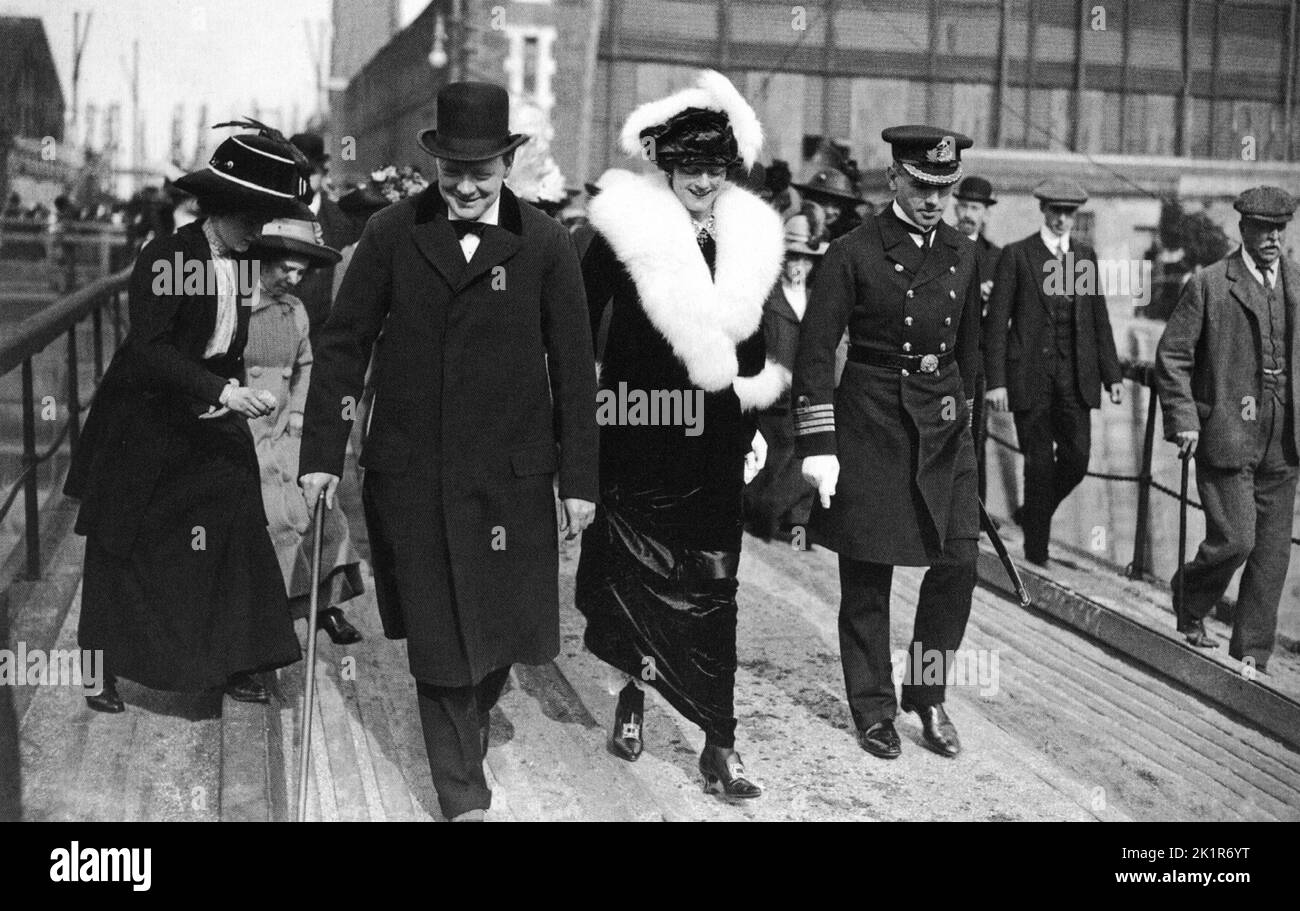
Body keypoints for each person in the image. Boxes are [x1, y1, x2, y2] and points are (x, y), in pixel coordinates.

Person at [297, 81, 598, 822]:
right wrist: (321, 455)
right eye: (452, 171)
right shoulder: (393, 233)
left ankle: (470, 716)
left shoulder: (547, 243)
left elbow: (576, 366)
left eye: (481, 171)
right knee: (439, 639)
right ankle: (461, 794)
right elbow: (343, 346)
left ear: (507, 164)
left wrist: (579, 481)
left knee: (495, 638)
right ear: (433, 163)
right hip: (413, 473)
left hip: (511, 477)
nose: (465, 187)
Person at [577, 71, 785, 798]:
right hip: (637, 431)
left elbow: (762, 344)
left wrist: (758, 422)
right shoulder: (619, 231)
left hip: (716, 439)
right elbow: (574, 327)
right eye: (691, 166)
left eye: (716, 168)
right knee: (636, 575)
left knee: (714, 587)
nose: (703, 180)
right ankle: (633, 694)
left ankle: (718, 742)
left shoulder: (753, 235)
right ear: (666, 166)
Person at [64, 123, 309, 713]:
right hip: (143, 418)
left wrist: (252, 393)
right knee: (120, 545)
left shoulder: (243, 262)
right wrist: (224, 392)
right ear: (223, 207)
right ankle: (100, 668)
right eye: (254, 216)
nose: (261, 229)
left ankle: (235, 659)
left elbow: (222, 344)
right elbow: (150, 352)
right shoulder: (168, 255)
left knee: (235, 525)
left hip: (205, 411)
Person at [794, 126, 983, 760]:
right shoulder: (853, 251)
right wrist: (819, 444)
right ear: (896, 178)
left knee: (958, 564)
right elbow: (816, 352)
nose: (934, 200)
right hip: (872, 421)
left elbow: (972, 353)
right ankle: (872, 707)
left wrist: (969, 433)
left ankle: (926, 696)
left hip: (945, 426)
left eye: (944, 189)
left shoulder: (962, 250)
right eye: (923, 186)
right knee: (869, 574)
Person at [1155, 186, 1299, 672]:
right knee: (1237, 539)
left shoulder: (1298, 283)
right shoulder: (1210, 284)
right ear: (1244, 230)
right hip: (1227, 434)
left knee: (1273, 554)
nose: (1273, 238)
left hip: (1284, 440)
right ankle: (1190, 598)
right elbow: (1172, 359)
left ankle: (1252, 659)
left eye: (1280, 229)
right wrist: (1185, 420)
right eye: (1263, 228)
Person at [983, 178, 1123, 565]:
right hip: (1030, 378)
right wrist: (996, 382)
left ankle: (1033, 513)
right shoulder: (1017, 255)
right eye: (1055, 212)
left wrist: (1112, 376)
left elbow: (1098, 319)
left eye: (1069, 213)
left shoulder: (1083, 257)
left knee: (1077, 460)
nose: (1062, 220)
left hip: (1075, 379)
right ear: (1043, 210)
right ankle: (1036, 553)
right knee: (1039, 463)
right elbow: (997, 325)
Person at [246, 218, 365, 644]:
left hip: (285, 426)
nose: (294, 280)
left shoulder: (295, 310)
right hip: (244, 428)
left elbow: (306, 366)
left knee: (323, 508)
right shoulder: (234, 305)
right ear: (263, 261)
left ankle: (325, 604)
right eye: (286, 270)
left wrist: (298, 409)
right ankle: (270, 618)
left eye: (300, 273)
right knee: (275, 515)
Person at [744, 209, 827, 540]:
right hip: (773, 401)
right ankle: (759, 512)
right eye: (793, 257)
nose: (798, 266)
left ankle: (797, 528)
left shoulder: (816, 301)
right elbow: (753, 348)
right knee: (775, 465)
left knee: (804, 460)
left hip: (805, 397)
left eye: (806, 260)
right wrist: (773, 373)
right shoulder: (767, 299)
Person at [951, 176, 1001, 501]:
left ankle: (973, 510)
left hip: (976, 360)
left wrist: (990, 301)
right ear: (956, 207)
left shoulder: (997, 258)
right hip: (941, 353)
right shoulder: (940, 244)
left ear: (985, 213)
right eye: (965, 206)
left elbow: (1003, 316)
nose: (969, 213)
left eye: (976, 207)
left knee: (974, 435)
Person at [289, 133, 361, 341]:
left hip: (324, 337)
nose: (301, 179)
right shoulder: (269, 217)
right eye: (295, 171)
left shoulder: (343, 223)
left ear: (323, 172)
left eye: (309, 172)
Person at [791, 168, 862, 239]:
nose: (829, 211)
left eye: (837, 205)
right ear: (808, 201)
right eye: (822, 202)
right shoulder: (796, 224)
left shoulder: (851, 236)